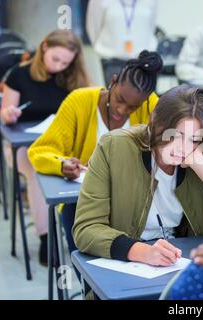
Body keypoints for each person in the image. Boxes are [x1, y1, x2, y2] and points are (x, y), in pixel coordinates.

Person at [72, 85, 203, 267]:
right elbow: (86, 229)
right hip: (127, 267)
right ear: (155, 121)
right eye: (176, 135)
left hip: (178, 265)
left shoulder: (199, 157)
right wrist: (142, 252)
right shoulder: (113, 147)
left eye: (194, 139)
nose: (183, 148)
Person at [28, 50, 162, 257]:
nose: (122, 110)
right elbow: (40, 150)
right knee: (88, 260)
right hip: (84, 201)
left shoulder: (150, 104)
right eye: (120, 99)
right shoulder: (79, 102)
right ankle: (89, 287)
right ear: (113, 81)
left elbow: (165, 147)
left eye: (132, 107)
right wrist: (62, 164)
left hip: (133, 202)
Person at [0, 29, 90, 265]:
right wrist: (9, 115)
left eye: (66, 62)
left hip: (62, 147)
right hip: (23, 148)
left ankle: (83, 229)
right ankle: (46, 237)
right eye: (55, 59)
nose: (59, 66)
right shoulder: (18, 75)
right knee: (36, 169)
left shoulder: (74, 79)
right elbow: (4, 116)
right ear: (43, 47)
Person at [86, 0, 158, 60]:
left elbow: (151, 26)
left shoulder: (150, 1)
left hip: (144, 59)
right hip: (112, 60)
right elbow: (93, 27)